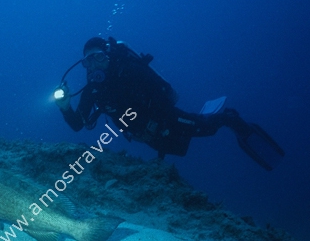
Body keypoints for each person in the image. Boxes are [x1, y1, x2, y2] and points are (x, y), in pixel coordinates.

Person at [54, 36, 284, 170]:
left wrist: (153, 119)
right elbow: (78, 124)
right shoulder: (93, 89)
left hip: (167, 120)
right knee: (176, 149)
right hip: (145, 134)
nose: (94, 65)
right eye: (88, 61)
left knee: (207, 128)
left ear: (108, 56)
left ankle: (230, 119)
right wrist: (65, 107)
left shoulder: (130, 71)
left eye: (98, 57)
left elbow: (164, 93)